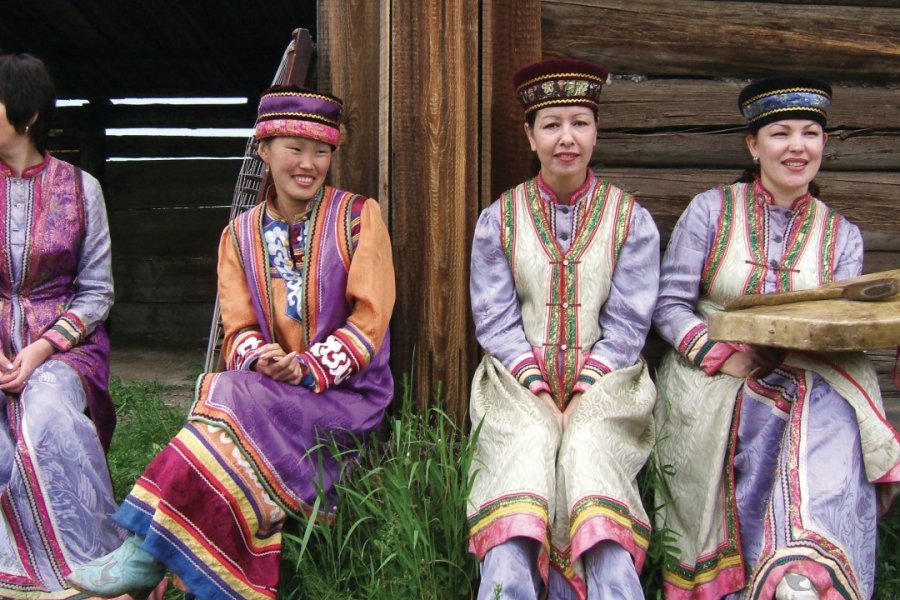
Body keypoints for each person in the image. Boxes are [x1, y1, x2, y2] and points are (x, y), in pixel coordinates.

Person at [68, 85, 396, 599]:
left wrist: (307, 366)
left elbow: (371, 319)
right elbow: (236, 329)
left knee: (223, 396)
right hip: (268, 391)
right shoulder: (239, 235)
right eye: (294, 148)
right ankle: (154, 554)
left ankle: (145, 548)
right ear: (264, 151)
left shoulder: (357, 218)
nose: (308, 164)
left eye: (321, 151)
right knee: (229, 393)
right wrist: (261, 357)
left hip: (346, 397)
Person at [652, 75, 900, 599]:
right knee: (772, 411)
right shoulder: (712, 210)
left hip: (808, 369)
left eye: (809, 133)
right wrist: (724, 356)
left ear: (824, 144)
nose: (796, 147)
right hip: (712, 373)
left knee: (823, 413)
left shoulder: (842, 236)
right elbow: (669, 305)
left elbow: (839, 331)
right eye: (780, 133)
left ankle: (805, 572)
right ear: (753, 144)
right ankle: (764, 577)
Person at [466, 59, 660, 599]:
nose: (566, 138)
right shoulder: (499, 220)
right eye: (552, 124)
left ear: (596, 132)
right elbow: (497, 320)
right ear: (530, 136)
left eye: (580, 122)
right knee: (527, 447)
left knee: (589, 450)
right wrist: (538, 387)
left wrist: (581, 392)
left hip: (610, 381)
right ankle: (508, 585)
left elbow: (627, 323)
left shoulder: (629, 220)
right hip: (513, 382)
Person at [0, 52, 130, 599]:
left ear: (26, 114)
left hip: (64, 349)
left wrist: (39, 352)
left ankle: (94, 566)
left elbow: (97, 291)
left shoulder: (82, 189)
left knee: (46, 412)